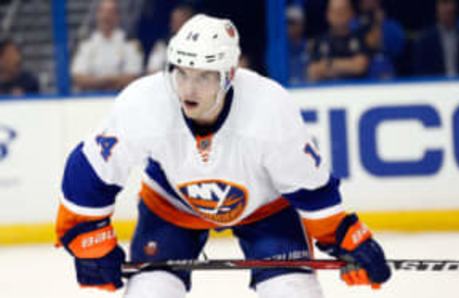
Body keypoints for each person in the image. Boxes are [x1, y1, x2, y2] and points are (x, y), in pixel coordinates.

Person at [55, 14, 391, 298]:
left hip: (265, 209)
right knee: (150, 291)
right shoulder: (145, 103)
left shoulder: (269, 109)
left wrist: (346, 237)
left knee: (293, 290)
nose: (188, 88)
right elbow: (89, 172)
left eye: (203, 76)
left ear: (228, 75)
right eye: (182, 72)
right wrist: (88, 239)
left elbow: (311, 190)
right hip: (172, 206)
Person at [71, 0, 143, 92]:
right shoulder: (87, 44)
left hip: (122, 98)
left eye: (110, 12)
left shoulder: (128, 43)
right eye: (103, 11)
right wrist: (111, 81)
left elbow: (133, 77)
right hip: (90, 101)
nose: (106, 16)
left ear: (118, 16)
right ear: (97, 15)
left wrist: (95, 82)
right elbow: (78, 78)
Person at [413, 0, 459, 77]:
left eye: (452, 3)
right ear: (437, 8)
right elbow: (420, 73)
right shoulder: (424, 41)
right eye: (445, 3)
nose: (449, 8)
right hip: (434, 86)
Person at [308, 0, 369, 81]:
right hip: (327, 90)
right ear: (327, 14)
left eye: (342, 11)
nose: (339, 15)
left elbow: (360, 66)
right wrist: (348, 66)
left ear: (351, 13)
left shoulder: (360, 38)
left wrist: (328, 64)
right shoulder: (319, 41)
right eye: (335, 11)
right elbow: (313, 71)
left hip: (355, 89)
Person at [350, 0, 405, 80]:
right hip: (358, 79)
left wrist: (378, 24)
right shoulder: (352, 25)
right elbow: (369, 43)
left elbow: (398, 51)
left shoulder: (392, 28)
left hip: (387, 78)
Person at [146, 3, 195, 73]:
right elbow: (152, 70)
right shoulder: (163, 44)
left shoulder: (200, 46)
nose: (175, 25)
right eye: (174, 21)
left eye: (180, 22)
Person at [286, 5, 310, 84]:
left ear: (301, 24)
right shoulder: (279, 50)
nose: (289, 27)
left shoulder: (310, 46)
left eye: (293, 23)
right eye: (287, 23)